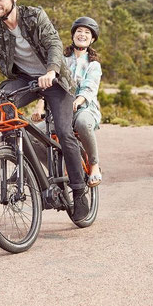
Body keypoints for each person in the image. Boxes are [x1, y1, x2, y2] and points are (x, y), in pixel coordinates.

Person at [0, 0, 90, 221]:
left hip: (56, 80)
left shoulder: (34, 16)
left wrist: (51, 70)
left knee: (63, 132)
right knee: (3, 104)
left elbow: (53, 43)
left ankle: (79, 191)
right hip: (25, 81)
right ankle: (17, 156)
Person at [31, 16, 103, 187]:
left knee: (83, 123)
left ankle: (94, 165)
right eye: (79, 31)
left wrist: (78, 101)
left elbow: (90, 87)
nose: (82, 34)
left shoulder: (93, 65)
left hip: (84, 108)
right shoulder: (61, 61)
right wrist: (40, 104)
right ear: (73, 35)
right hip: (60, 110)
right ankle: (57, 169)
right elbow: (49, 83)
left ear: (92, 39)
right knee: (32, 135)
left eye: (87, 32)